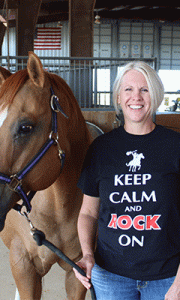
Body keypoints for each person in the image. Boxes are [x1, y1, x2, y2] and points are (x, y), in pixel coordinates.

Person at [74, 61, 180, 300]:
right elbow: (88, 213)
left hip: (167, 276)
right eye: (128, 90)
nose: (137, 97)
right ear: (119, 98)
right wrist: (87, 254)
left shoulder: (174, 146)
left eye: (145, 89)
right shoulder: (101, 149)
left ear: (156, 95)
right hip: (111, 276)